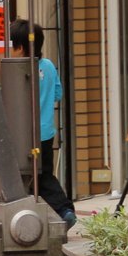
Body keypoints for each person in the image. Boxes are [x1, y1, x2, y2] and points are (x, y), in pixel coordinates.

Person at [10, 19, 76, 227]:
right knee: (44, 172)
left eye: (10, 46)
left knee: (33, 176)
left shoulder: (17, 70)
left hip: (24, 134)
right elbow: (57, 93)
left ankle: (64, 209)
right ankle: (55, 212)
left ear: (19, 48)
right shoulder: (47, 65)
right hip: (46, 132)